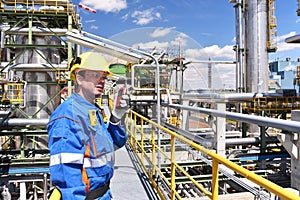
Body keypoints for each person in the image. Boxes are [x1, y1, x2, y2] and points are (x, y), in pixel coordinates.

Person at [47, 52, 128, 200]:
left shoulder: (92, 110)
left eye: (104, 77)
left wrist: (117, 115)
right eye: (95, 76)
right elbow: (67, 174)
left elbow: (115, 143)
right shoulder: (67, 116)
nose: (102, 81)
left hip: (104, 193)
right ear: (79, 78)